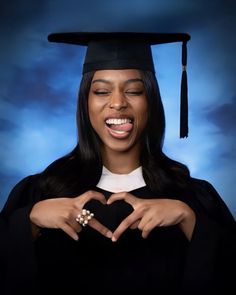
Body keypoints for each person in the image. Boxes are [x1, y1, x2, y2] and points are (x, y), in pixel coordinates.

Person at [0, 31, 236, 295]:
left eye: (134, 90)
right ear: (85, 103)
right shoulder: (41, 191)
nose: (117, 103)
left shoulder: (192, 196)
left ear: (151, 102)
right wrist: (28, 222)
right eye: (101, 91)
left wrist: (190, 221)